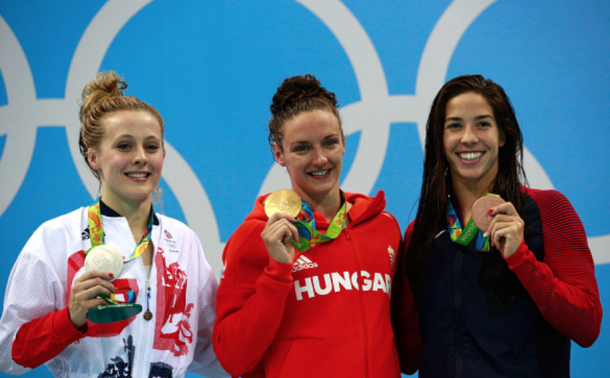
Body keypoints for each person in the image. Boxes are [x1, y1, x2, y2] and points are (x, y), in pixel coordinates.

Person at [0, 71, 227, 377]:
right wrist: (70, 319)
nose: (140, 158)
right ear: (94, 158)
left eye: (151, 146)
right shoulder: (56, 239)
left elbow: (215, 351)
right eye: (124, 146)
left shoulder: (183, 241)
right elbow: (8, 355)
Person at [212, 74, 416, 377]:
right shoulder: (257, 236)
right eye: (302, 148)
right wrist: (277, 273)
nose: (320, 159)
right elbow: (232, 357)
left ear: (344, 142)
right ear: (279, 154)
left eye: (329, 142)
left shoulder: (382, 226)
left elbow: (409, 346)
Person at [403, 74, 603, 377]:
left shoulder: (547, 209)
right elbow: (410, 355)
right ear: (439, 139)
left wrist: (521, 260)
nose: (468, 137)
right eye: (454, 125)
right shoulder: (421, 233)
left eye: (482, 123)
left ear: (502, 135)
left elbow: (586, 326)